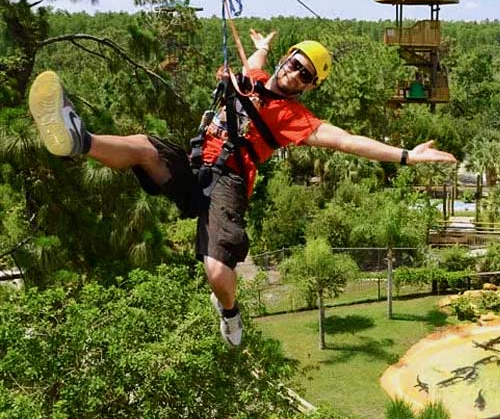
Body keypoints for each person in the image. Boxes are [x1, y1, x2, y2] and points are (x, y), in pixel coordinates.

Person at [28, 30, 457, 347]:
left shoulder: (294, 118)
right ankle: (78, 139)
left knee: (216, 272)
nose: (294, 73)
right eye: (294, 63)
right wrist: (265, 46)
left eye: (304, 75)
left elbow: (347, 141)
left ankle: (230, 315)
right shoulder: (254, 77)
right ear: (286, 59)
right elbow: (253, 61)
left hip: (229, 183)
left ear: (309, 87)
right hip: (198, 166)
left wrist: (406, 155)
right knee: (144, 147)